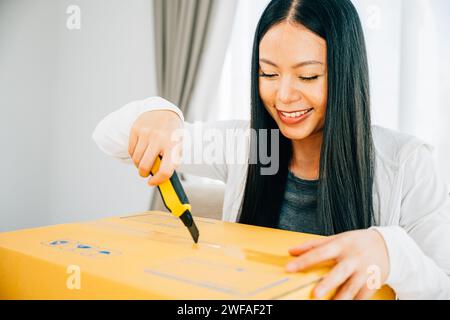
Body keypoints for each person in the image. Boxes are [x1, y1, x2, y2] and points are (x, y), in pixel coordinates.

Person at [92, 0, 450, 299]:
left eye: (307, 76)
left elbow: (442, 286)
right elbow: (109, 137)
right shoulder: (251, 147)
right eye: (268, 73)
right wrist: (160, 112)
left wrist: (390, 251)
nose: (283, 96)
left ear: (346, 72)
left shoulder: (406, 163)